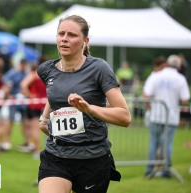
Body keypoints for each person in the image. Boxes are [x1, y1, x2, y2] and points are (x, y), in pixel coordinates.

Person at [37, 15, 131, 193]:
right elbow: (55, 93)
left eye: (72, 35)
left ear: (85, 41)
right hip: (56, 156)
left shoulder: (99, 68)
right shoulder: (46, 69)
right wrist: (44, 119)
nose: (64, 38)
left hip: (92, 158)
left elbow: (125, 116)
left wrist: (89, 109)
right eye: (61, 33)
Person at [143, 54, 190, 178]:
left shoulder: (156, 76)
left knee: (153, 142)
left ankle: (149, 170)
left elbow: (146, 94)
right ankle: (166, 170)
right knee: (167, 144)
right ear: (179, 66)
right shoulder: (181, 79)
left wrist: (148, 105)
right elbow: (185, 100)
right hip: (171, 117)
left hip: (156, 115)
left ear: (168, 63)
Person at [20, 56, 48, 158]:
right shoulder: (50, 74)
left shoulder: (34, 74)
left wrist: (29, 95)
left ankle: (36, 151)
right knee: (49, 129)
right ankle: (48, 149)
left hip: (35, 104)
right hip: (47, 104)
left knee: (35, 129)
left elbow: (23, 84)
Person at [1, 59, 30, 151]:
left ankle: (27, 142)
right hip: (13, 100)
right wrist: (8, 95)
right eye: (23, 65)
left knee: (25, 122)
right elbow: (5, 84)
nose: (24, 67)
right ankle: (7, 141)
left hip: (23, 101)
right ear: (20, 64)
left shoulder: (26, 73)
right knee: (10, 121)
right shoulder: (12, 73)